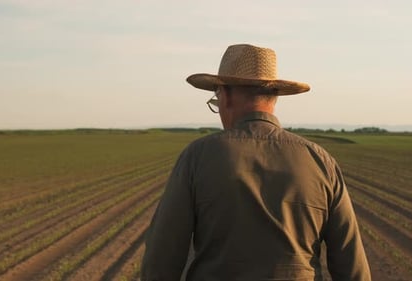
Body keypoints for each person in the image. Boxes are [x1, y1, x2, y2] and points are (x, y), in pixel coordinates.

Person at [141, 44, 371, 281]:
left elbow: (161, 260)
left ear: (226, 95)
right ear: (275, 97)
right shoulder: (320, 161)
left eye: (216, 99)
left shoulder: (197, 156)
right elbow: (352, 267)